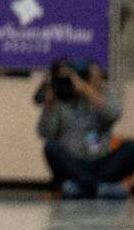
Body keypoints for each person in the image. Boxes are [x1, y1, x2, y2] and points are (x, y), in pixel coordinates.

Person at [37, 59, 133, 199]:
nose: (97, 79)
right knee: (50, 147)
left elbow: (113, 114)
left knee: (131, 147)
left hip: (102, 163)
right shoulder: (61, 98)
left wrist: (86, 90)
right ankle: (99, 189)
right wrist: (49, 105)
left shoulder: (104, 93)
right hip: (73, 164)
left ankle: (79, 189)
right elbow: (46, 133)